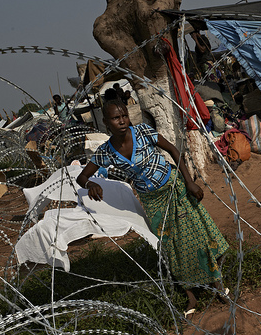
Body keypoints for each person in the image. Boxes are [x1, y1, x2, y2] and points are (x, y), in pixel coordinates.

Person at [76, 98, 229, 314]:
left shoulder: (142, 132)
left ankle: (217, 285)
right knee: (171, 246)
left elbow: (174, 151)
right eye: (116, 118)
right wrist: (91, 184)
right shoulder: (106, 151)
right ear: (105, 122)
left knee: (197, 234)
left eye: (124, 116)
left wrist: (189, 181)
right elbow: (81, 177)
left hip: (173, 187)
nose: (122, 121)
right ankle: (190, 294)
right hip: (152, 201)